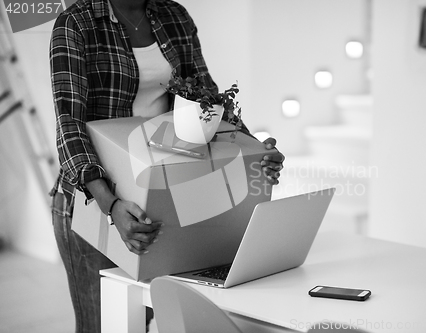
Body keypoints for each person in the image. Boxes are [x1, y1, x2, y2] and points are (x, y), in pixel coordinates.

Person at [49, 0, 285, 331]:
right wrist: (111, 205)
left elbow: (207, 99)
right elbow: (69, 125)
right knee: (102, 324)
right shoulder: (76, 23)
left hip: (156, 190)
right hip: (94, 197)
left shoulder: (173, 15)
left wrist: (256, 151)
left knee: (141, 318)